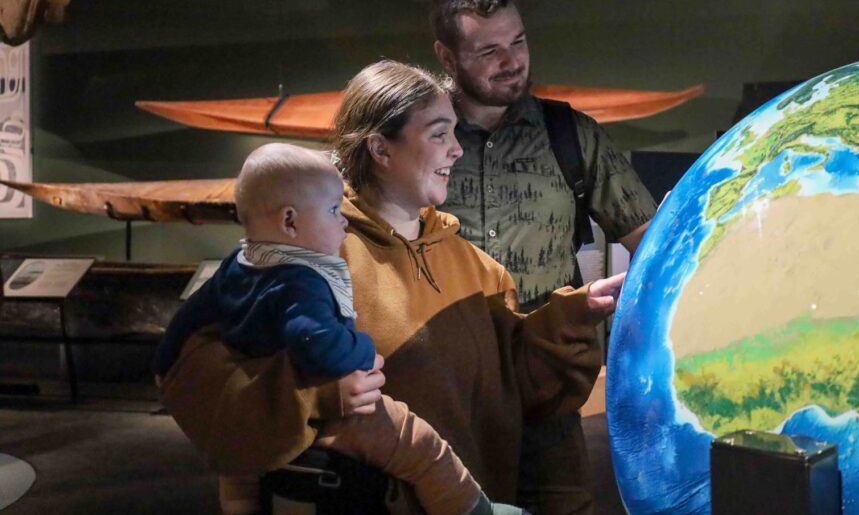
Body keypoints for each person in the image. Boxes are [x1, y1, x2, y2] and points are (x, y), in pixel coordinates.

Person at [159, 60, 623, 513]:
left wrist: (574, 315)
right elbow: (208, 388)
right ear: (381, 150)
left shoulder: (478, 268)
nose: (457, 149)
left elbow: (516, 392)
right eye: (439, 133)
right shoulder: (306, 265)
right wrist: (314, 394)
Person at [154, 142, 504, 515]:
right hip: (318, 399)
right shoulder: (302, 280)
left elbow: (186, 326)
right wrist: (362, 349)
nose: (344, 221)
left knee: (237, 467)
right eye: (334, 211)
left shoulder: (238, 263)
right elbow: (316, 341)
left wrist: (165, 367)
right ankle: (473, 509)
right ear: (290, 222)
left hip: (255, 410)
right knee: (418, 443)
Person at [429, 0, 658, 514]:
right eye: (488, 49)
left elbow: (649, 240)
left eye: (519, 41)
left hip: (547, 393)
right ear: (447, 55)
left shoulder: (571, 134)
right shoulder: (420, 138)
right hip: (443, 397)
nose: (512, 61)